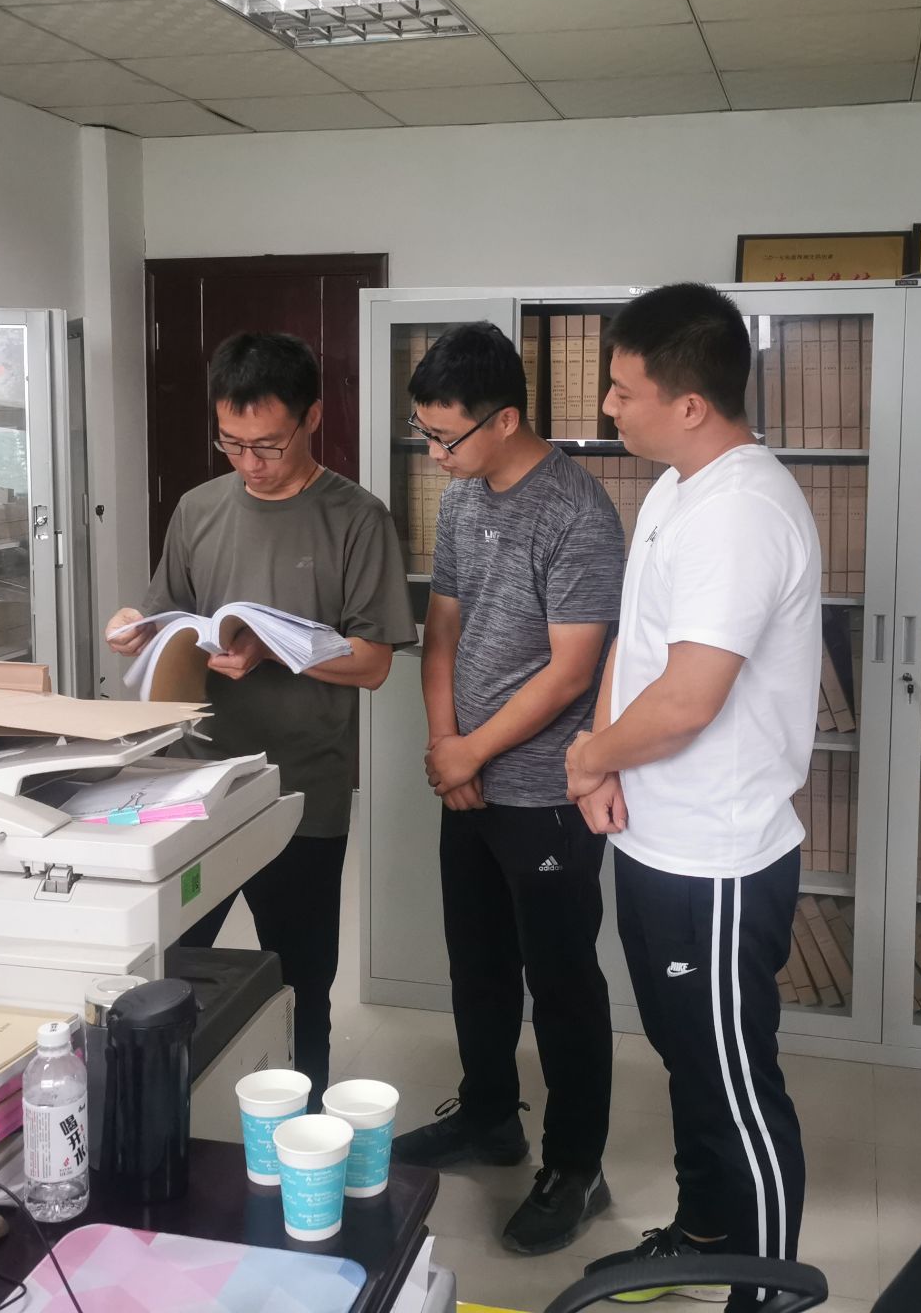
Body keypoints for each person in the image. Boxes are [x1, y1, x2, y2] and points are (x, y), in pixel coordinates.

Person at [566, 284, 820, 1309]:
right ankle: (705, 1234)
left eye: (623, 390)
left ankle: (770, 1293)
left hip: (717, 860)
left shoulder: (741, 513)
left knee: (736, 1088)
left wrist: (588, 757)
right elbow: (639, 645)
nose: (608, 407)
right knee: (689, 1062)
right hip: (656, 840)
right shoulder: (679, 487)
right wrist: (604, 758)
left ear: (690, 404)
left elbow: (687, 699)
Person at [104, 331, 414, 1103]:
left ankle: (304, 1128)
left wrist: (274, 650)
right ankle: (167, 1128)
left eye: (268, 445)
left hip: (300, 788)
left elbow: (373, 662)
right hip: (194, 788)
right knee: (164, 976)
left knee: (302, 983)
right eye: (232, 443)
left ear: (312, 418)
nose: (250, 463)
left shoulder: (356, 518)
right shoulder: (198, 509)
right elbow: (169, 612)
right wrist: (137, 624)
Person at [389, 322, 624, 1254]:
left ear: (507, 420)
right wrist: (446, 747)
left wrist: (473, 752)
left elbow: (573, 670)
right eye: (424, 433)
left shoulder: (577, 511)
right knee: (477, 963)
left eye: (445, 437)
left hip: (548, 793)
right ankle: (491, 1115)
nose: (434, 454)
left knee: (562, 983)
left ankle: (577, 1165)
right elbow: (441, 629)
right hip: (471, 780)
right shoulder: (461, 498)